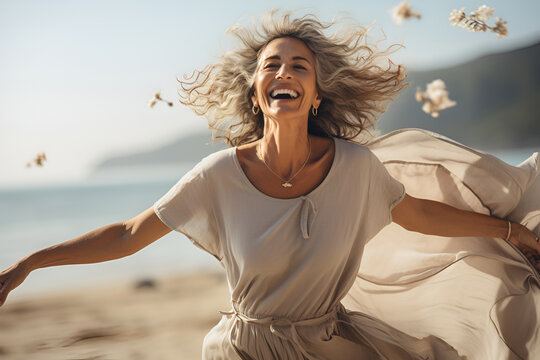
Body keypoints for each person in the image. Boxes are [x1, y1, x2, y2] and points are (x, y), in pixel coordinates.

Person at [1, 11, 539, 360]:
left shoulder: (355, 168)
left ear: (316, 94)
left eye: (299, 66)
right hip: (243, 349)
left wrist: (511, 233)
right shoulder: (217, 177)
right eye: (271, 65)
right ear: (257, 93)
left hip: (330, 343)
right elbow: (126, 235)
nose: (284, 71)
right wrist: (29, 264)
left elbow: (418, 214)